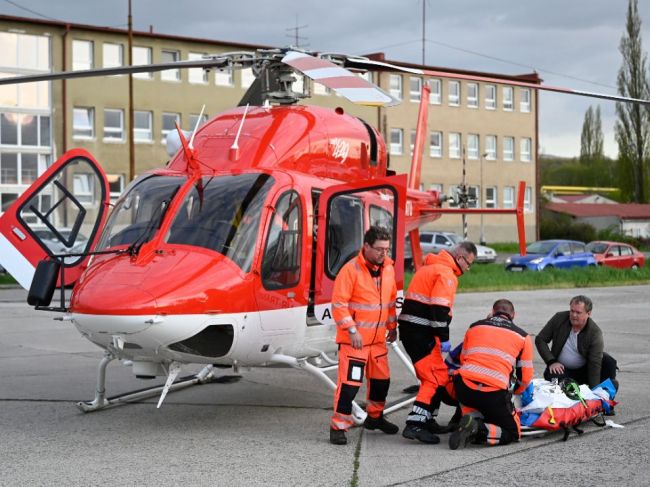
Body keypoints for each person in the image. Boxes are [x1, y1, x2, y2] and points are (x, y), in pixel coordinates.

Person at [398, 241, 477, 444]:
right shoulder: (446, 274)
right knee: (433, 379)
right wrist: (444, 338)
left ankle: (428, 419)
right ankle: (415, 424)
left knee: (439, 376)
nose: (468, 269)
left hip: (415, 330)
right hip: (421, 332)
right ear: (460, 258)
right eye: (469, 264)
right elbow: (439, 309)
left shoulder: (431, 267)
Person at [329, 226, 399, 445]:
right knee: (350, 385)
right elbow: (339, 305)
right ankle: (338, 426)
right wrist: (352, 330)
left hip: (378, 341)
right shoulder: (350, 270)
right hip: (355, 342)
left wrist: (392, 326)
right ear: (366, 246)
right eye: (379, 249)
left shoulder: (388, 269)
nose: (383, 254)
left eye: (386, 249)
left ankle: (375, 418)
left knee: (381, 383)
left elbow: (390, 301)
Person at [449, 299, 534, 449]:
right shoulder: (522, 336)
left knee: (476, 406)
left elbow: (463, 359)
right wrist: (515, 392)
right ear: (513, 315)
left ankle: (469, 420)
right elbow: (525, 376)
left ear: (493, 312)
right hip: (492, 394)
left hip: (464, 388)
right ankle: (478, 429)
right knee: (513, 432)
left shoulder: (474, 327)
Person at [535, 295, 618, 390]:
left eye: (578, 312)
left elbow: (594, 364)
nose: (574, 315)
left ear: (588, 313)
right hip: (560, 370)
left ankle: (604, 394)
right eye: (572, 311)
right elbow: (540, 339)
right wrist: (551, 361)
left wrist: (593, 391)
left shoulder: (595, 333)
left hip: (584, 372)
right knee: (555, 377)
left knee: (608, 361)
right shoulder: (559, 318)